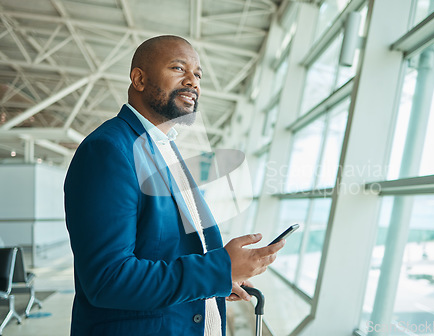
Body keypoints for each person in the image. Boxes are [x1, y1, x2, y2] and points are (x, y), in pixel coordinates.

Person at [64, 35, 285, 336]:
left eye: (198, 74)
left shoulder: (166, 150)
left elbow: (165, 252)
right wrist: (218, 269)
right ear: (138, 79)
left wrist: (220, 280)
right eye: (179, 69)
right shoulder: (108, 151)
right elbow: (108, 279)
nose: (192, 81)